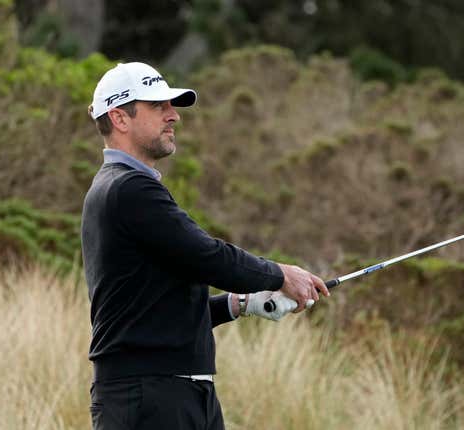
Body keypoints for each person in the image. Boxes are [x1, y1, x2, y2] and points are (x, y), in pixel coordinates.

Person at [81, 62, 330, 430]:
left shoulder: (121, 188)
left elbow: (151, 309)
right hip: (150, 400)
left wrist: (240, 304)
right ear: (120, 118)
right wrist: (279, 275)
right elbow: (206, 255)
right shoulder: (129, 189)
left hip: (167, 395)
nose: (173, 116)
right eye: (158, 106)